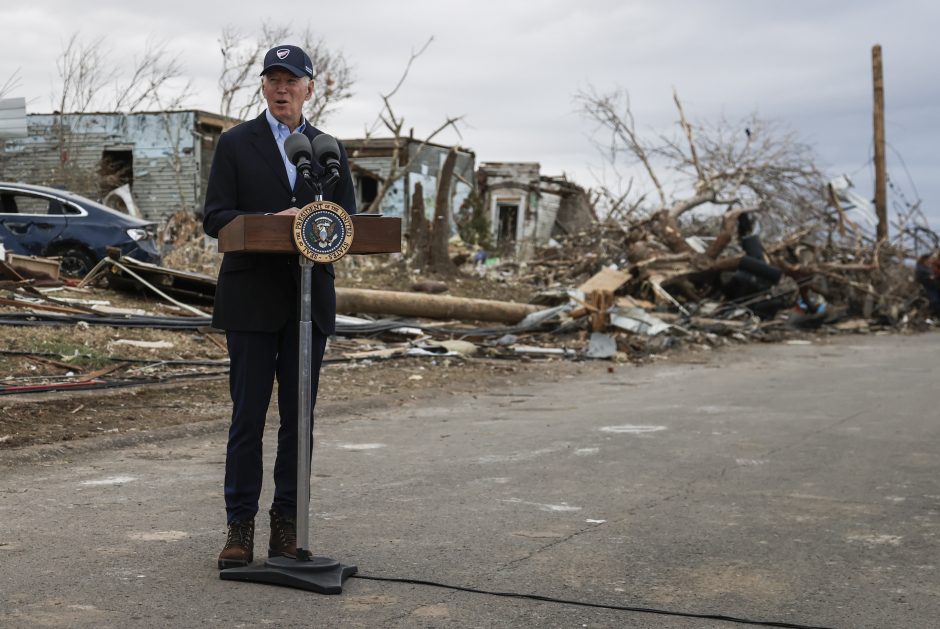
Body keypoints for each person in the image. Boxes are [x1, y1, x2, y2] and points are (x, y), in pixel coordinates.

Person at [202, 44, 357, 569]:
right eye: (273, 78)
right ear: (264, 86)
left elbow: (348, 222)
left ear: (311, 86)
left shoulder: (328, 148)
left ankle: (287, 528)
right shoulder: (235, 144)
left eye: (292, 79)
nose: (282, 88)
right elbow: (215, 216)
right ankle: (239, 528)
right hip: (250, 299)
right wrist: (276, 218)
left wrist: (318, 220)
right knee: (247, 419)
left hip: (308, 305)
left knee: (299, 421)